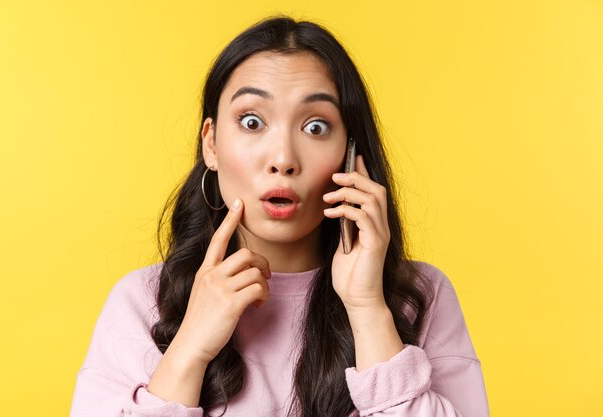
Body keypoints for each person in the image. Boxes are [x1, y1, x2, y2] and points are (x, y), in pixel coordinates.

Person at [70, 16, 489, 417]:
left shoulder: (419, 296)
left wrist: (367, 309)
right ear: (211, 144)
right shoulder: (144, 302)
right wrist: (188, 351)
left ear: (352, 152)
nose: (283, 159)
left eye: (316, 127)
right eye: (252, 121)